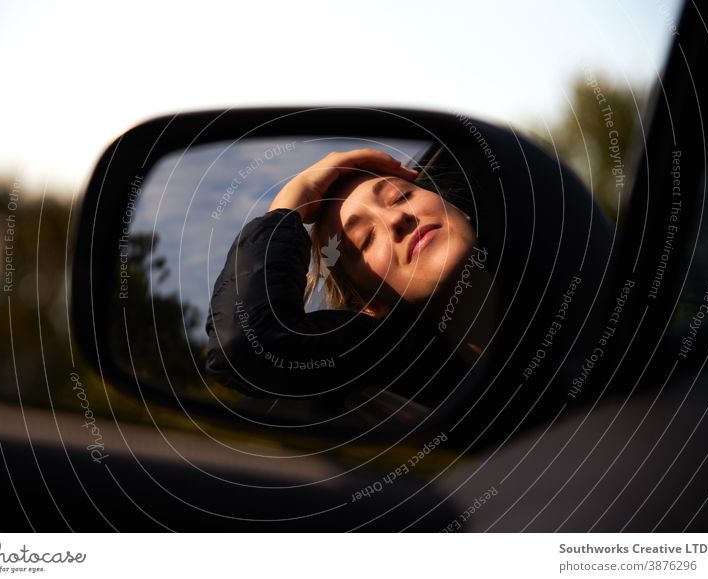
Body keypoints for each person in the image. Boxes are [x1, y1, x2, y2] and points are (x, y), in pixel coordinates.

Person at [205, 148, 495, 410]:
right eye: (365, 239)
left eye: (401, 196)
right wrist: (287, 206)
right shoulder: (397, 364)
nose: (395, 220)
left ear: (459, 210)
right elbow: (248, 344)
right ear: (367, 303)